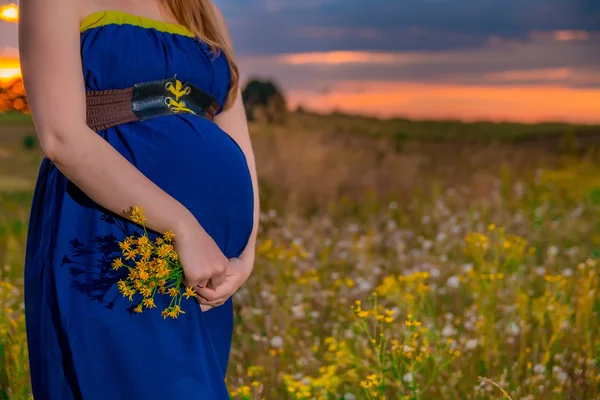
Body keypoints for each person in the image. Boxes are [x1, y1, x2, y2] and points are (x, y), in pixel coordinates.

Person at [18, 0, 259, 398]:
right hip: (113, 235)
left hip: (209, 262)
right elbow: (62, 137)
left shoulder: (202, 8)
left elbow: (238, 139)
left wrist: (246, 254)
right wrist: (182, 226)